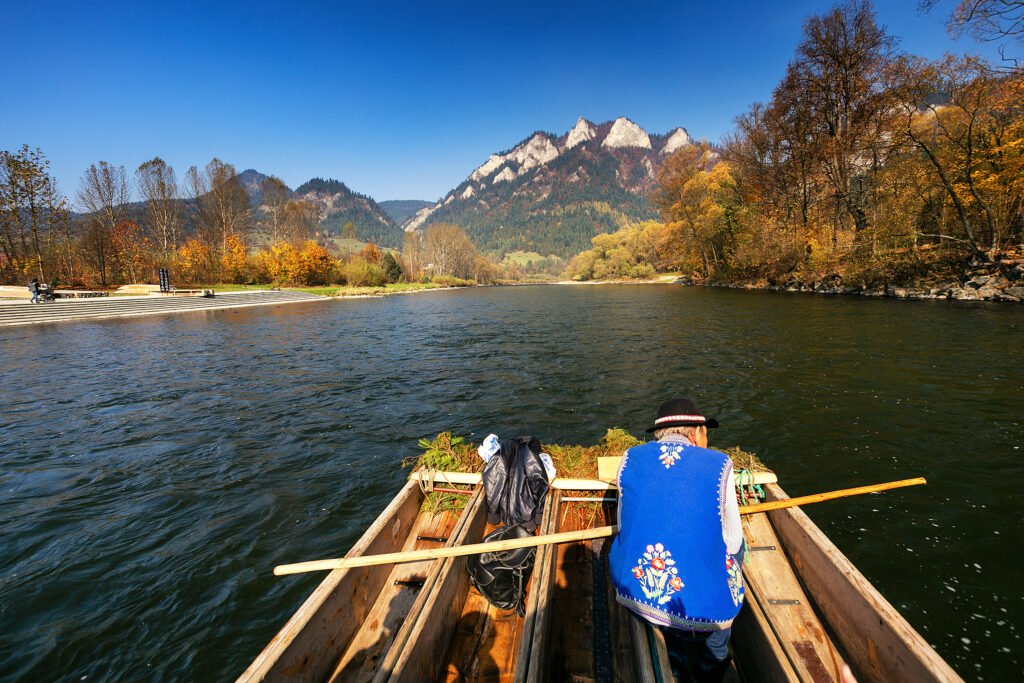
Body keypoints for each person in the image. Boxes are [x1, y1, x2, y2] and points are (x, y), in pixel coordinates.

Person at [608, 398, 744, 682]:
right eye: (706, 432)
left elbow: (624, 527)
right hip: (703, 613)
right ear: (695, 433)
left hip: (636, 598)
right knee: (737, 550)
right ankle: (713, 658)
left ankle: (675, 658)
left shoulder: (630, 457)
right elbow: (731, 542)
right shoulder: (720, 465)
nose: (707, 439)